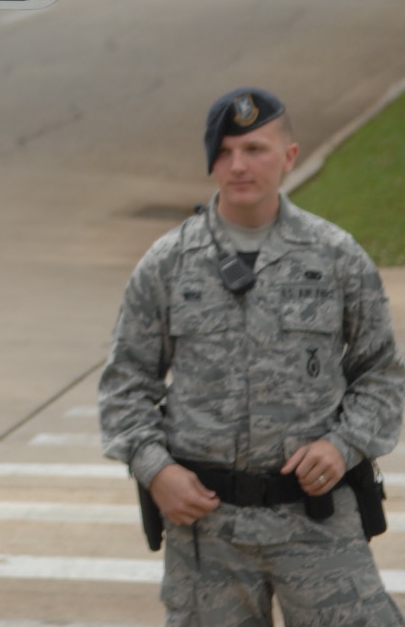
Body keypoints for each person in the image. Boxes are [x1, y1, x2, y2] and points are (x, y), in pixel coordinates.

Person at [99, 85, 404, 627]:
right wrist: (155, 470)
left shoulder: (335, 257)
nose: (238, 165)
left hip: (318, 524)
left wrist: (343, 446)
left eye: (255, 149)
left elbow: (381, 374)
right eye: (224, 151)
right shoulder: (168, 264)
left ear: (288, 156)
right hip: (208, 533)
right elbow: (126, 385)